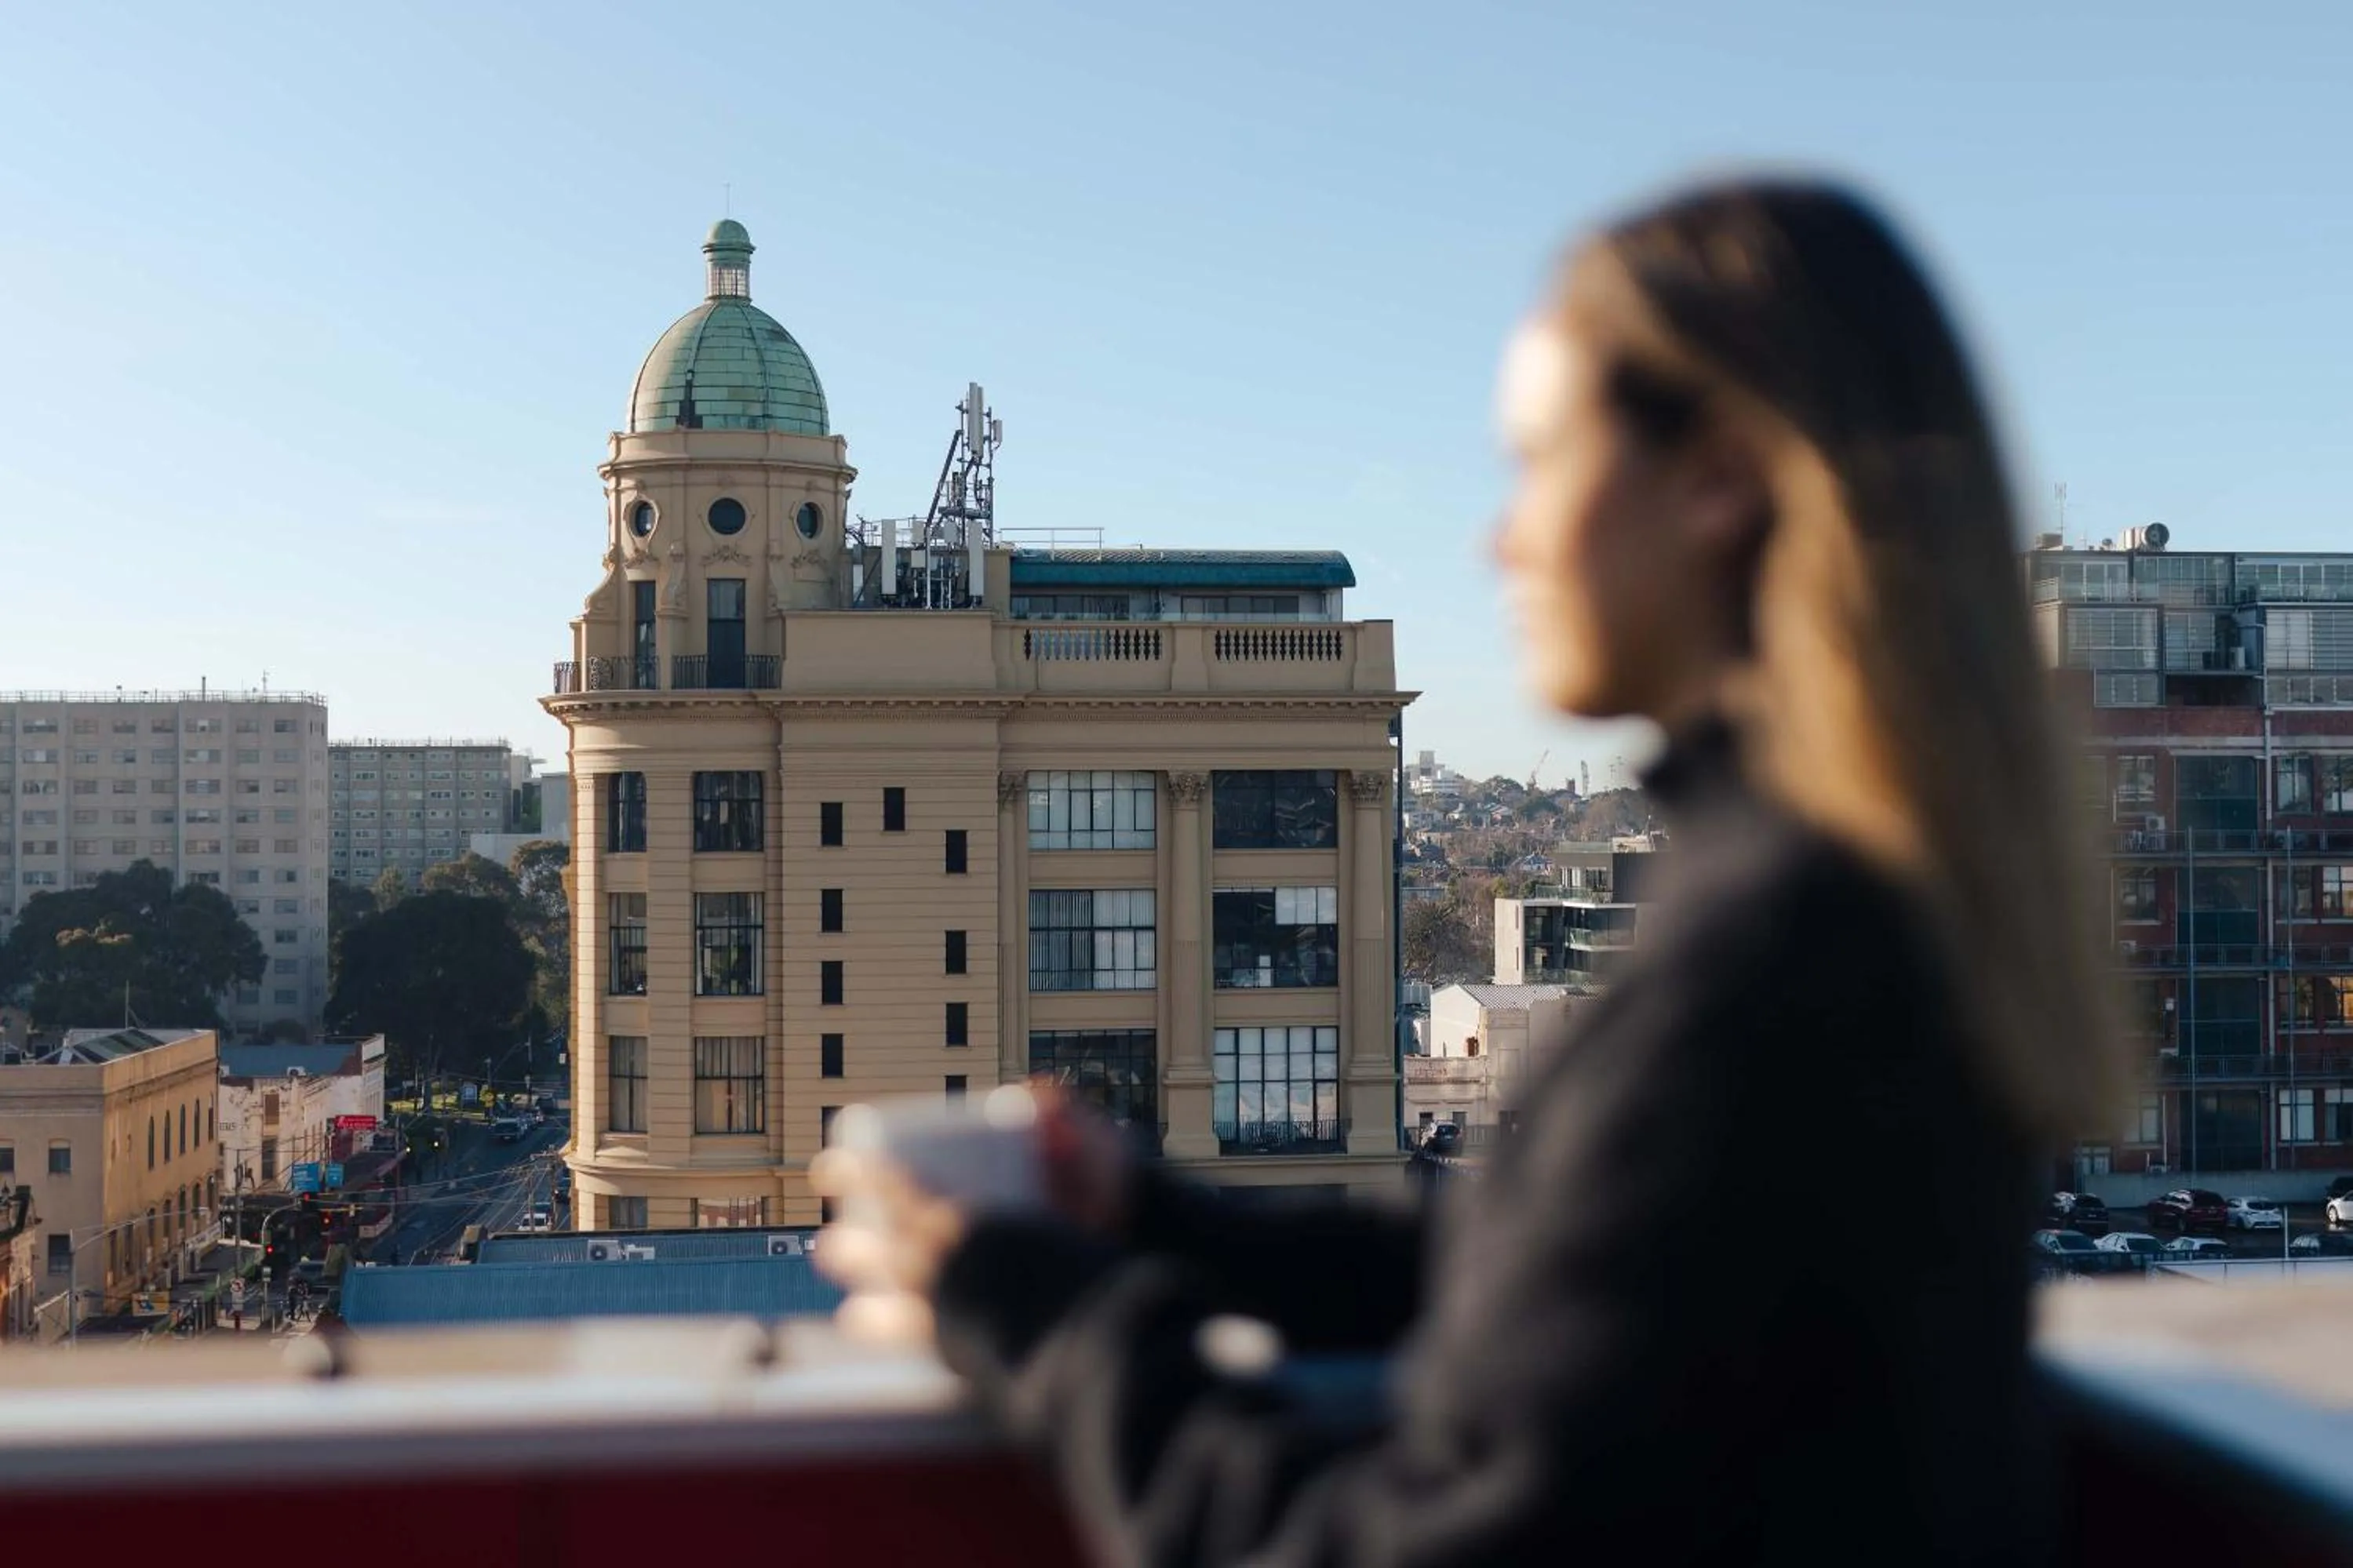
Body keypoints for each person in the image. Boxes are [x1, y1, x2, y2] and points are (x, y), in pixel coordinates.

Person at [814, 177, 2119, 1566]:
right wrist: (1149, 1217)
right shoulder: (1847, 908)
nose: (1501, 537)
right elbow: (1566, 1292)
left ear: (1721, 476)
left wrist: (1045, 1321)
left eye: (1542, 460)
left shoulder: (1769, 975)